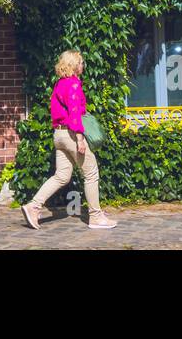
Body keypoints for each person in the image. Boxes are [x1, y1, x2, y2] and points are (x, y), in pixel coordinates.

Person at [22, 50, 117, 230]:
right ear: (73, 65)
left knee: (61, 176)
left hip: (59, 135)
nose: (83, 66)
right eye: (80, 62)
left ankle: (33, 206)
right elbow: (74, 114)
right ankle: (96, 217)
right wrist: (80, 139)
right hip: (71, 134)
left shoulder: (59, 84)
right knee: (91, 173)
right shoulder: (73, 84)